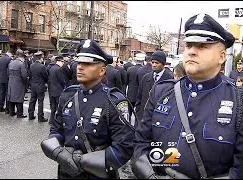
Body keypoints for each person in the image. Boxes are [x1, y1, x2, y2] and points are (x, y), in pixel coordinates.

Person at [132, 13, 242, 179]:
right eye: (189, 45)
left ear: (222, 56)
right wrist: (150, 175)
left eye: (202, 46)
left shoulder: (238, 101)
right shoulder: (162, 92)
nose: (191, 52)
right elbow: (141, 143)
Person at [41, 39, 135, 179]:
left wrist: (83, 162)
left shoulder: (114, 101)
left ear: (102, 70)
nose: (80, 67)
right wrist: (61, 154)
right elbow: (56, 130)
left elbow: (124, 147)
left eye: (87, 64)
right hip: (66, 172)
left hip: (98, 174)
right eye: (79, 62)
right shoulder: (68, 95)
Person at [134, 50, 173, 121]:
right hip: (144, 118)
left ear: (163, 64)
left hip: (160, 119)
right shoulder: (146, 78)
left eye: (157, 63)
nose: (154, 65)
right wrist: (139, 114)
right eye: (153, 62)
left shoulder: (170, 79)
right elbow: (139, 97)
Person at [28, 51, 48, 122]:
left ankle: (30, 115)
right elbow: (45, 76)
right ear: (41, 58)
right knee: (40, 102)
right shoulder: (42, 66)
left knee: (32, 100)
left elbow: (30, 75)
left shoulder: (32, 65)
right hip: (40, 86)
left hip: (33, 85)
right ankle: (40, 117)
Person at [7, 49, 28, 118]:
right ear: (22, 57)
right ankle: (20, 113)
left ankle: (11, 112)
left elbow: (8, 73)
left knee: (11, 97)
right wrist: (25, 83)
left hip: (11, 82)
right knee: (19, 98)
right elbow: (24, 75)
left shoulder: (11, 63)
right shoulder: (21, 64)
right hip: (19, 83)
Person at [47, 55, 66, 125]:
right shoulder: (59, 69)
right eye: (62, 62)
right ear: (59, 61)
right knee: (59, 107)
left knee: (53, 107)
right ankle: (58, 122)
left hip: (52, 90)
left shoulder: (52, 68)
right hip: (58, 91)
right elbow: (62, 80)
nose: (63, 63)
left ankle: (51, 121)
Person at [0, 49, 13, 113]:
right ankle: (7, 108)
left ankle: (1, 107)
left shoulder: (0, 59)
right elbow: (9, 69)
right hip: (7, 78)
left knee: (1, 93)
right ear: (9, 53)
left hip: (1, 78)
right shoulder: (9, 59)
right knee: (7, 93)